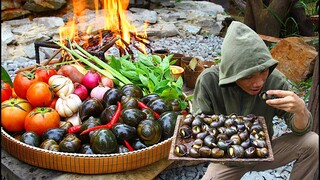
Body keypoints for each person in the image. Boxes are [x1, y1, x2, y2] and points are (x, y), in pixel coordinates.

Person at [191, 21, 319, 180]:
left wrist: (300, 110)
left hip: (264, 150)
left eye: (263, 71)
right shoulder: (208, 81)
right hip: (228, 159)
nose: (259, 82)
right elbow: (199, 130)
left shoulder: (275, 81)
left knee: (313, 142)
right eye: (248, 76)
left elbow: (300, 129)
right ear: (232, 74)